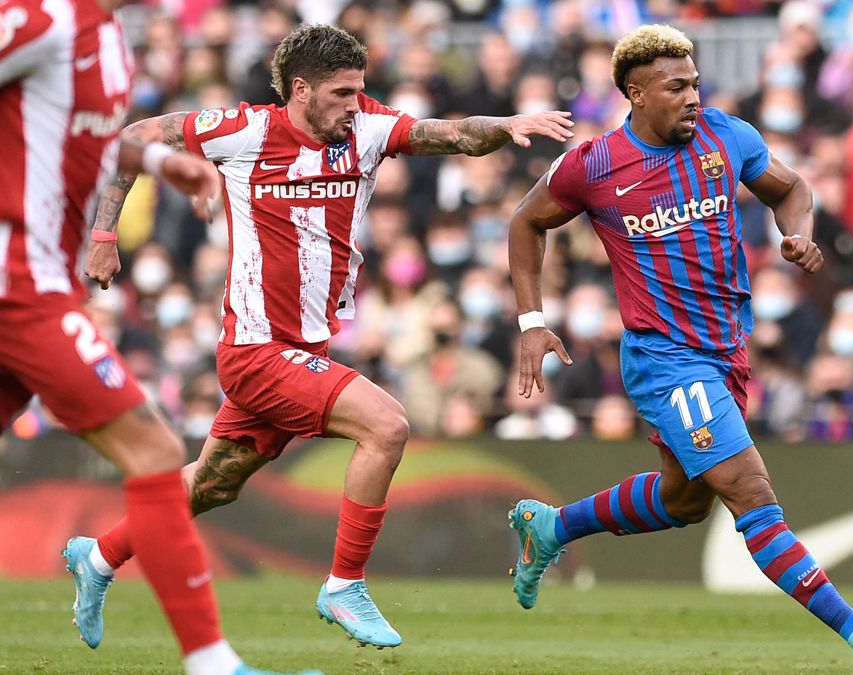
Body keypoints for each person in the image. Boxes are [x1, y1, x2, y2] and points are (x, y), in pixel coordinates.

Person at [67, 24, 574, 651]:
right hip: (255, 351)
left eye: (360, 91)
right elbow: (133, 139)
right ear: (300, 90)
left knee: (212, 483)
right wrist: (105, 235)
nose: (354, 105)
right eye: (340, 93)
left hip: (306, 352)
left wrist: (507, 123)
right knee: (387, 426)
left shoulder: (365, 131)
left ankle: (97, 559)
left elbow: (454, 134)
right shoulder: (245, 130)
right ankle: (343, 584)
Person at [504, 25, 853, 674]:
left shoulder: (728, 136)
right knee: (750, 491)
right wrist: (531, 318)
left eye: (696, 83)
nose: (694, 96)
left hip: (726, 353)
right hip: (665, 359)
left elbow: (792, 190)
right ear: (635, 94)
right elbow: (526, 221)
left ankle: (552, 528)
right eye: (677, 87)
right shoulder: (594, 165)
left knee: (686, 500)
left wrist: (798, 233)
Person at [1, 2, 315, 674]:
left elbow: (71, 133)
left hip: (38, 277)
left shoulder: (108, 36)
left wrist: (153, 159)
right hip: (18, 285)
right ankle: (212, 662)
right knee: (153, 447)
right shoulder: (43, 18)